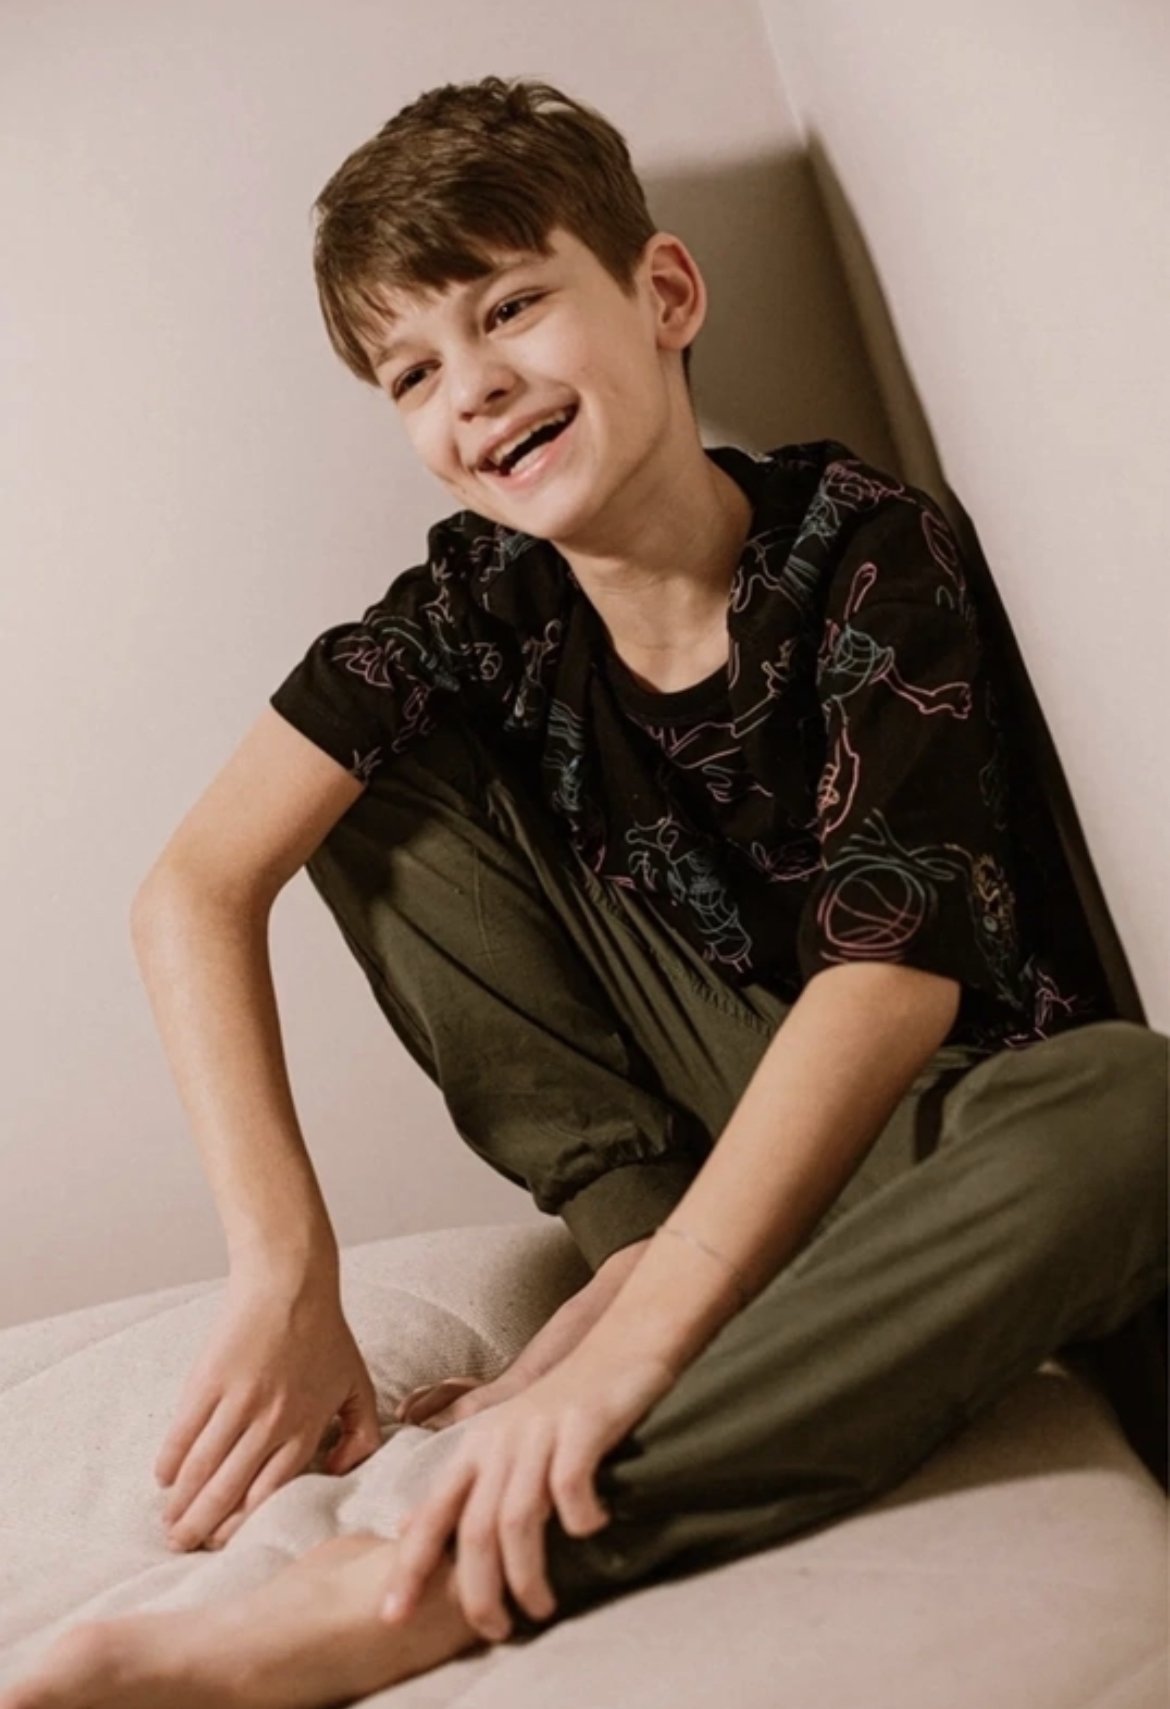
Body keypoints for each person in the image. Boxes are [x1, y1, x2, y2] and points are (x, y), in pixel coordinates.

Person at [5, 73, 1165, 1709]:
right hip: (687, 1140)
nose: (473, 386)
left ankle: (439, 1580)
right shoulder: (470, 608)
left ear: (664, 294)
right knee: (369, 765)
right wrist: (286, 1272)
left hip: (922, 1119)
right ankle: (636, 1238)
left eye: (509, 307)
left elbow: (889, 973)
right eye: (414, 370)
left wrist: (638, 1342)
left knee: (1130, 1108)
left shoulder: (863, 549)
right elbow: (192, 885)